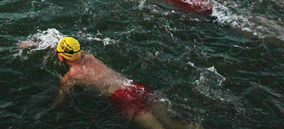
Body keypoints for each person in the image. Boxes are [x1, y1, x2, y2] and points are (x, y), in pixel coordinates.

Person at [39, 37, 196, 129]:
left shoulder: (71, 76)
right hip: (134, 87)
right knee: (175, 123)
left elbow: (61, 98)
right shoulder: (89, 56)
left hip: (122, 97)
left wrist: (52, 108)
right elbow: (70, 48)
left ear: (60, 57)